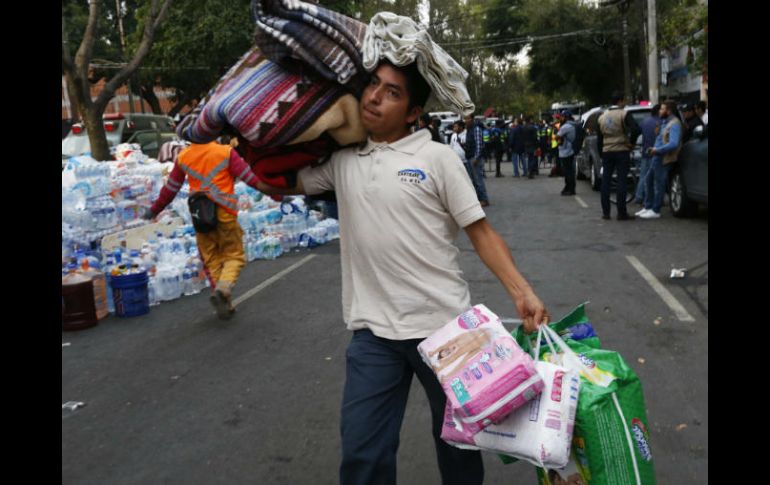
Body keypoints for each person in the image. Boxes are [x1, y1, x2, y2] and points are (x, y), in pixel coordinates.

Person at [256, 56, 548, 485]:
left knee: (460, 450)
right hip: (373, 334)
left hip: (446, 332)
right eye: (373, 84)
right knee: (362, 452)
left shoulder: (436, 157)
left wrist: (522, 291)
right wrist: (240, 144)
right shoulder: (344, 161)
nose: (374, 97)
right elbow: (277, 183)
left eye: (392, 92)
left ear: (413, 113)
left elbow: (481, 232)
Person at [142, 138, 262, 319]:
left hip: (201, 215)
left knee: (211, 258)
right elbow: (251, 178)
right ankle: (224, 287)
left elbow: (170, 189)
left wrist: (154, 210)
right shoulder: (225, 152)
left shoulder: (183, 156)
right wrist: (277, 192)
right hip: (225, 213)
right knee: (233, 255)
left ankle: (224, 302)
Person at [597, 92, 641, 220]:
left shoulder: (602, 117)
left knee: (606, 181)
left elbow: (599, 139)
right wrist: (631, 143)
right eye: (624, 101)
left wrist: (601, 154)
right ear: (620, 101)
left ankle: (606, 212)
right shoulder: (624, 114)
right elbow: (636, 129)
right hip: (621, 150)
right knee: (622, 181)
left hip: (607, 151)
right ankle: (621, 213)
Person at [638, 100, 682, 219]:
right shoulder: (665, 122)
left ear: (669, 111)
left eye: (662, 109)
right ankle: (648, 206)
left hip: (664, 158)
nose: (659, 111)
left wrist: (657, 150)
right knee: (648, 180)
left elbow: (673, 143)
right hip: (657, 157)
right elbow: (662, 139)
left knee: (658, 184)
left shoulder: (674, 124)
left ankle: (655, 210)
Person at [633, 104, 661, 206]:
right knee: (655, 178)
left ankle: (639, 196)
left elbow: (636, 132)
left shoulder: (645, 122)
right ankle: (651, 199)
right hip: (656, 152)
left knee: (643, 176)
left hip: (645, 151)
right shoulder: (660, 122)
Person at [464, 113, 491, 207]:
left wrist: (476, 157)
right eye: (465, 119)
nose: (465, 120)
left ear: (472, 119)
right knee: (473, 180)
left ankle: (484, 199)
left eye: (467, 118)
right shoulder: (469, 129)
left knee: (478, 180)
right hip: (469, 157)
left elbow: (479, 144)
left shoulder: (476, 129)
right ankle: (478, 199)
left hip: (475, 158)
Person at [556, 109, 577, 195]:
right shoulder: (572, 124)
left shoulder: (566, 126)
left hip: (566, 152)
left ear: (566, 117)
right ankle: (569, 187)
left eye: (562, 117)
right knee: (570, 171)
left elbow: (557, 136)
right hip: (570, 151)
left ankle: (570, 189)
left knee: (567, 172)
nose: (560, 118)